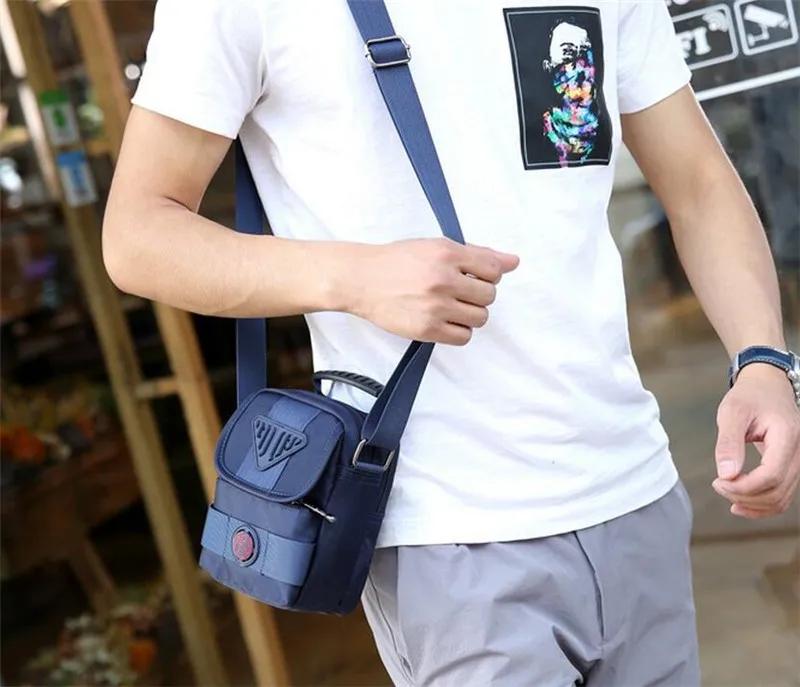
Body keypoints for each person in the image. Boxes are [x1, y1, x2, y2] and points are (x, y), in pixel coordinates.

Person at [102, 1, 800, 684]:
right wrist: (355, 277)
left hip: (636, 493)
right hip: (445, 529)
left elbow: (698, 183)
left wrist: (762, 359)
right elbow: (138, 236)